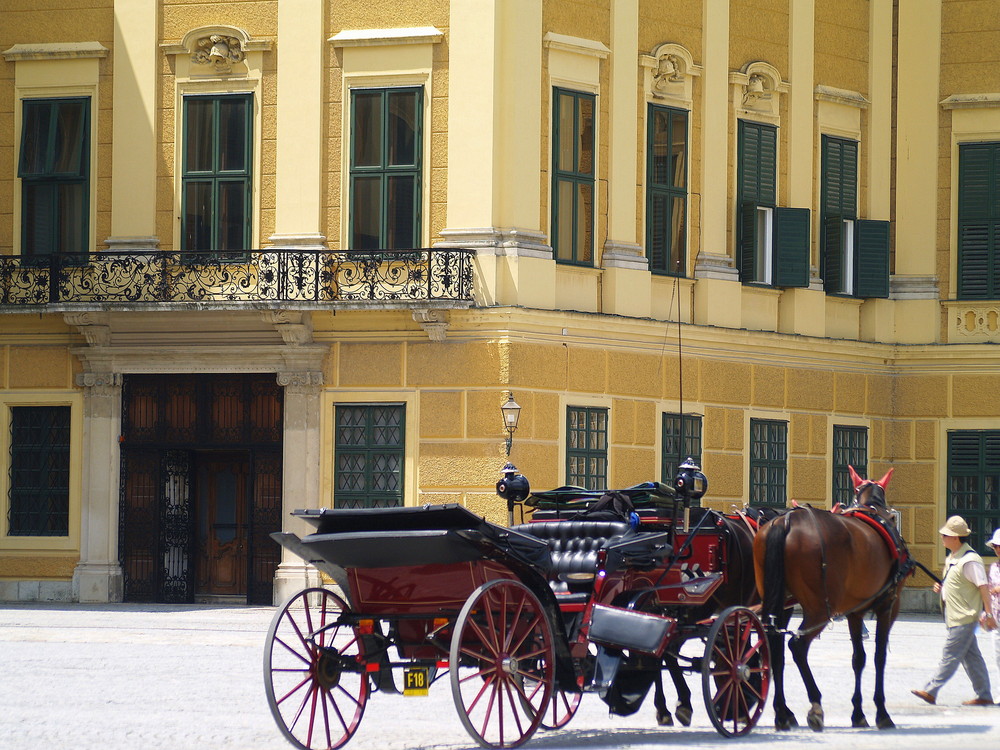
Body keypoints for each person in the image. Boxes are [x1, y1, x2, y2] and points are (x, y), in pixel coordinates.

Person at [912, 515, 996, 706]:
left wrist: (988, 614)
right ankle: (984, 695)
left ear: (956, 538)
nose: (942, 537)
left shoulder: (970, 559)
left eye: (946, 535)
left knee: (950, 655)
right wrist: (942, 588)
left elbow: (983, 586)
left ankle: (930, 690)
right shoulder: (953, 558)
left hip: (965, 617)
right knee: (972, 657)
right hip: (955, 617)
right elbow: (960, 584)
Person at [988, 529, 1000, 683]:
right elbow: (989, 590)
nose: (998, 549)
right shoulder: (993, 567)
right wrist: (986, 613)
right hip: (997, 618)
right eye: (996, 546)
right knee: (998, 656)